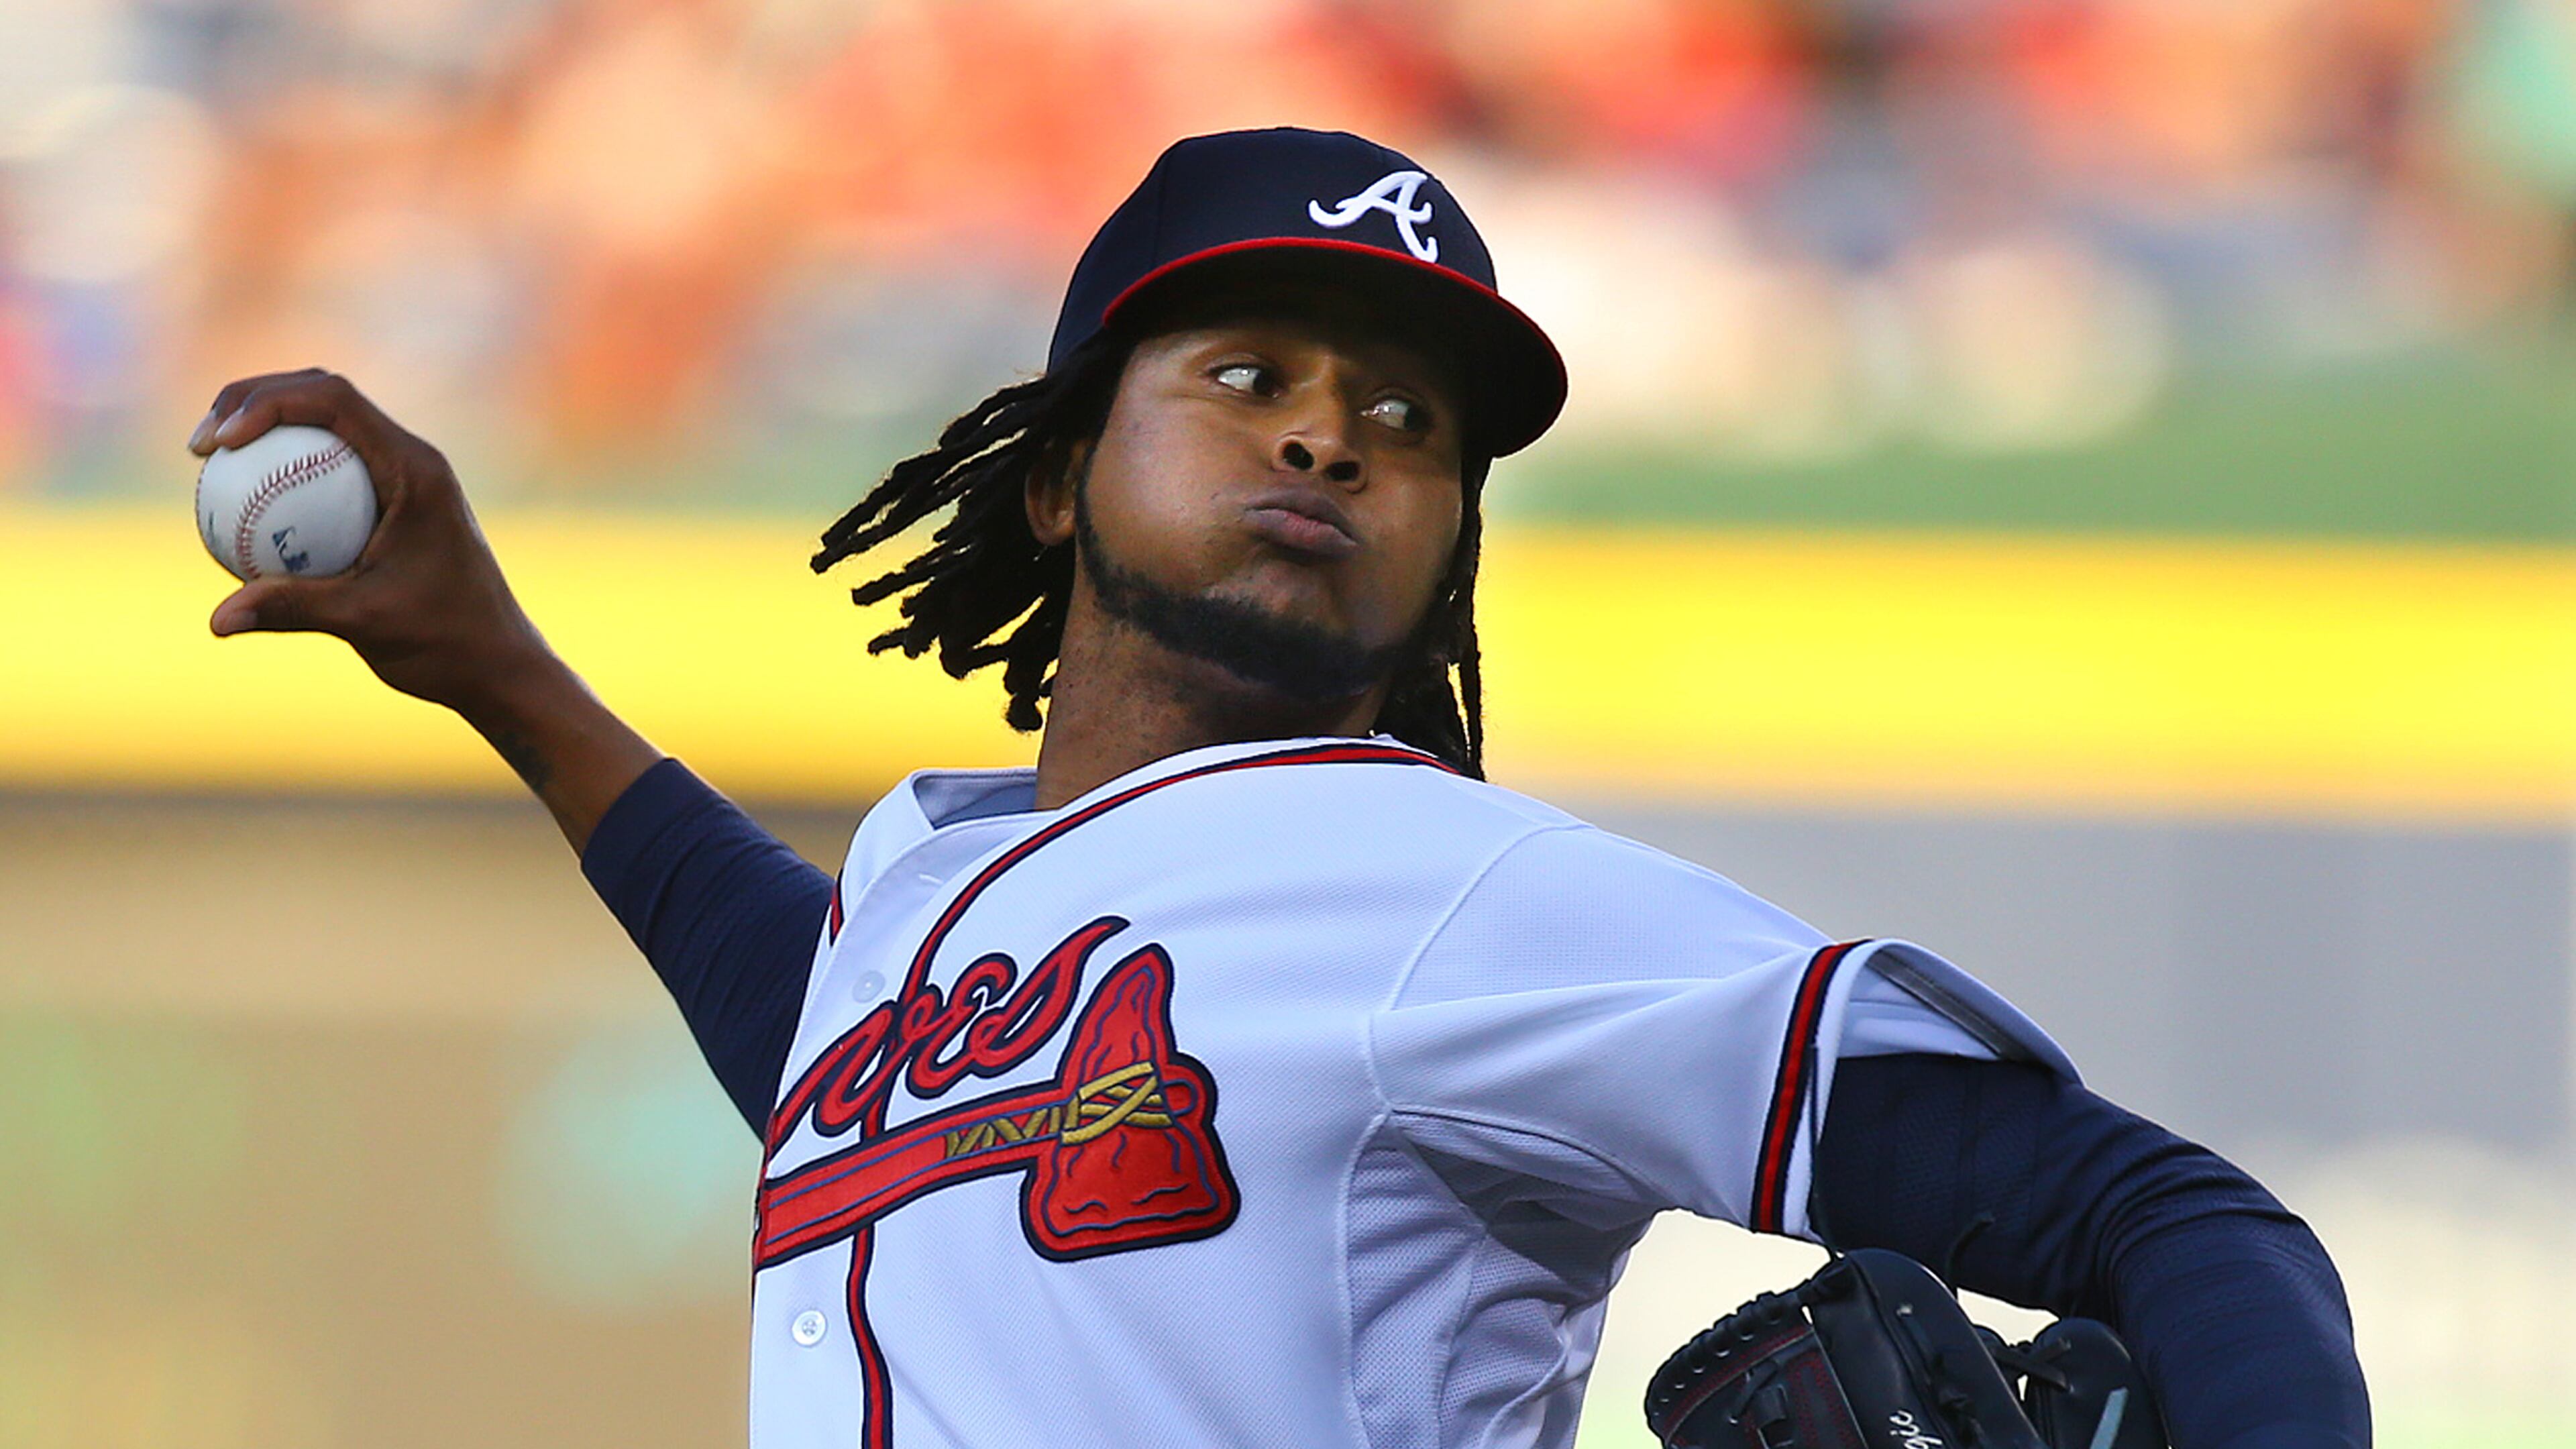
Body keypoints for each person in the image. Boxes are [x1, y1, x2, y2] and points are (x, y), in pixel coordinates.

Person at [191, 128, 2368, 1449]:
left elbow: (2168, 1221)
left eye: (1409, 422)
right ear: (1055, 479)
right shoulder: (942, 909)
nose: (1332, 437)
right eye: (1248, 376)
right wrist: (499, 672)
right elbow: (825, 1041)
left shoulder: (1453, 898)